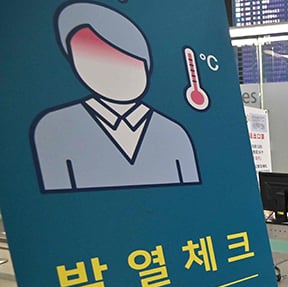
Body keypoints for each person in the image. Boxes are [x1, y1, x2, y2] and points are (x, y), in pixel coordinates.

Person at [32, 2, 199, 192]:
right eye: (91, 57)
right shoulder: (54, 128)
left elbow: (200, 195)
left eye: (126, 61)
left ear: (145, 67)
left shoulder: (174, 134)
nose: (112, 74)